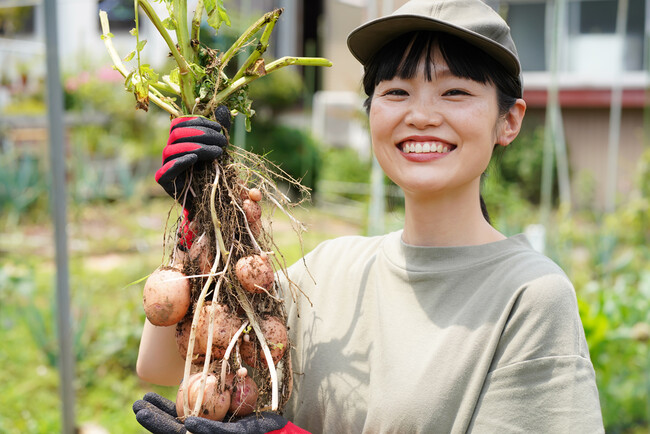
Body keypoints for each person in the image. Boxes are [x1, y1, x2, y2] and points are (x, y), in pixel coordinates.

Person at [133, 0, 605, 432]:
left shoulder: (529, 298)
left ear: (510, 120)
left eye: (455, 91)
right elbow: (163, 368)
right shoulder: (329, 271)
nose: (421, 115)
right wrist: (199, 225)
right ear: (372, 112)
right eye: (397, 91)